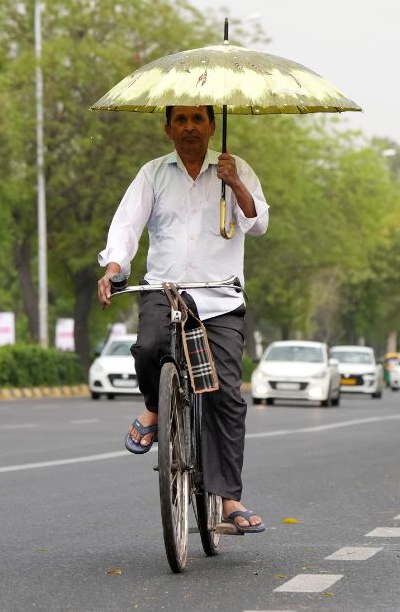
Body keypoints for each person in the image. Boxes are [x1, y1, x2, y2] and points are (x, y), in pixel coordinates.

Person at [96, 104, 270, 534]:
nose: (190, 127)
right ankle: (156, 409)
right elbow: (126, 226)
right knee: (148, 347)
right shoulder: (153, 174)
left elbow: (259, 223)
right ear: (168, 129)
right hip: (166, 291)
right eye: (181, 120)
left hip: (220, 298)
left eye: (198, 119)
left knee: (226, 395)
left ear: (212, 126)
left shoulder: (235, 167)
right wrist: (114, 268)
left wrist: (235, 184)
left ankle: (229, 497)